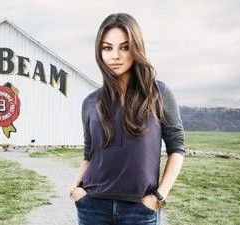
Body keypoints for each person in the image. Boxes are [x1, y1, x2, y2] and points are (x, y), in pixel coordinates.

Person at [69, 13, 186, 225]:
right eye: (107, 48)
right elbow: (89, 154)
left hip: (140, 210)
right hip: (92, 207)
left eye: (124, 47)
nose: (115, 56)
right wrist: (76, 190)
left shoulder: (159, 93)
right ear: (99, 51)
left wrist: (159, 196)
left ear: (136, 48)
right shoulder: (90, 102)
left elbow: (177, 149)